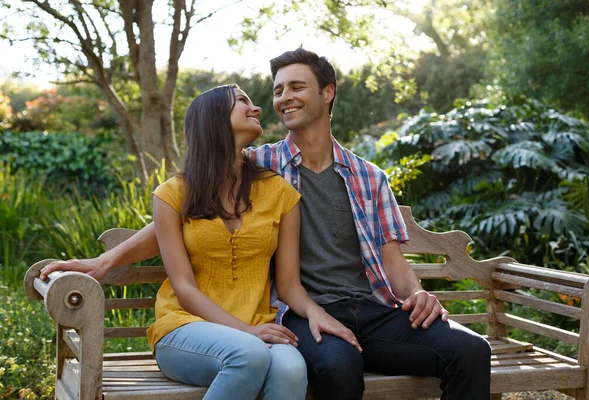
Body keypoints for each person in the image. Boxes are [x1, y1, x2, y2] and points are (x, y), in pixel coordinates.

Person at [41, 49, 492, 399]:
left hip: (371, 310)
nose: (282, 99)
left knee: (471, 350)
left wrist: (417, 295)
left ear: (327, 92)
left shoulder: (369, 177)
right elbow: (180, 212)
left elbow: (393, 260)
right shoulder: (257, 163)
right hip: (297, 312)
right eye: (277, 91)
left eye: (296, 87)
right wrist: (107, 260)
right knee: (335, 365)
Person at [100, 84, 359, 400]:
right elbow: (184, 287)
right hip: (184, 330)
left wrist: (316, 312)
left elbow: (290, 285)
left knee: (292, 369)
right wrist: (246, 332)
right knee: (248, 354)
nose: (257, 108)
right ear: (213, 119)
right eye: (242, 102)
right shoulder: (172, 194)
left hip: (259, 330)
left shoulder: (280, 193)